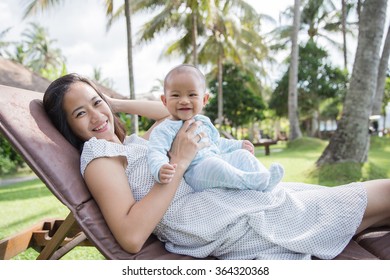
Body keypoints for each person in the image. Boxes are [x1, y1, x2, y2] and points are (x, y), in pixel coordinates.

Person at [43, 73, 390, 260]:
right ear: (68, 126)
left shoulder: (132, 145)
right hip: (228, 222)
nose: (96, 116)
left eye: (96, 103)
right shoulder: (99, 156)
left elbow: (173, 111)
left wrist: (111, 102)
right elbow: (132, 237)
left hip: (232, 208)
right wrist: (178, 162)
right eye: (80, 113)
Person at [147, 64, 283, 192]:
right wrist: (160, 168)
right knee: (215, 165)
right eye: (176, 95)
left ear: (204, 99)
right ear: (164, 101)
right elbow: (156, 152)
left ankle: (265, 177)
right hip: (196, 172)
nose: (184, 100)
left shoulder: (203, 122)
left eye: (192, 95)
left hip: (217, 158)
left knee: (242, 155)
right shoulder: (164, 129)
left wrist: (238, 145)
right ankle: (254, 181)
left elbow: (217, 142)